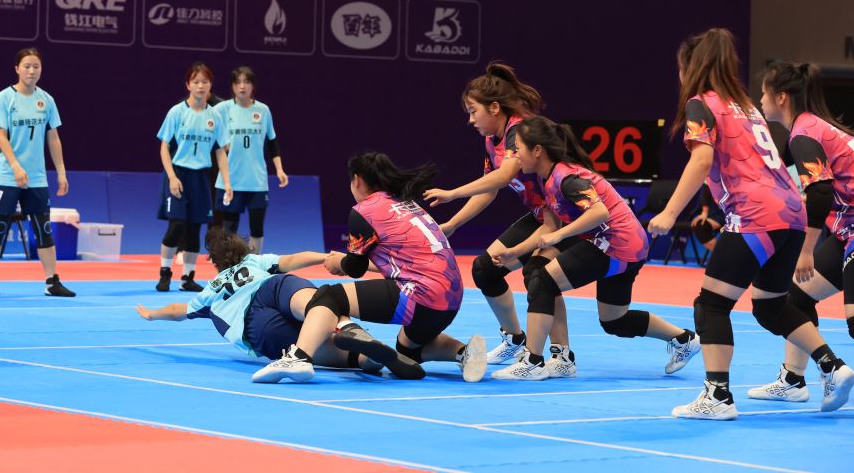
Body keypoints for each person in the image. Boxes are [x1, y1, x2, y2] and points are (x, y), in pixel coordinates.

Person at [648, 28, 853, 419]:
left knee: (711, 305)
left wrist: (671, 212)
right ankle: (832, 366)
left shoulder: (701, 104)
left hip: (755, 215)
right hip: (792, 214)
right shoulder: (745, 106)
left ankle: (717, 396)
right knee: (771, 306)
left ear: (690, 67)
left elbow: (702, 160)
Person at [491, 116, 700, 381]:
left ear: (537, 150)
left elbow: (599, 212)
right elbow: (548, 227)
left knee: (543, 280)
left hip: (618, 244)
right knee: (615, 321)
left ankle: (533, 361)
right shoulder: (549, 178)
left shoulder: (566, 178)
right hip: (622, 245)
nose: (513, 154)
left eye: (518, 147)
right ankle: (684, 339)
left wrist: (560, 235)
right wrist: (515, 251)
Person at [254, 152, 487, 383]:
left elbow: (355, 268)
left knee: (329, 296)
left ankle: (299, 357)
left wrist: (339, 263)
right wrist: (345, 260)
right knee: (408, 350)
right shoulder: (406, 204)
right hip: (451, 299)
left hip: (420, 295)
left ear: (357, 180)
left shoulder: (365, 211)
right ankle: (463, 353)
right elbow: (397, 262)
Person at [423, 62, 576, 374]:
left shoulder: (520, 131)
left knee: (541, 274)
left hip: (568, 217)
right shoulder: (492, 139)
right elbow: (489, 189)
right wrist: (453, 224)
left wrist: (453, 193)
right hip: (542, 216)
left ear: (494, 107)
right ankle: (515, 339)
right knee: (486, 269)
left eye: (473, 111)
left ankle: (562, 357)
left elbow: (505, 176)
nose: (470, 120)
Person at [137, 230, 405, 381]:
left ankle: (361, 359)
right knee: (321, 302)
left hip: (258, 331)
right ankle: (347, 327)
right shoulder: (254, 262)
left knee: (315, 350)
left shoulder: (211, 291)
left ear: (216, 263)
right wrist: (330, 257)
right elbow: (293, 260)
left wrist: (151, 315)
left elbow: (177, 311)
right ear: (244, 251)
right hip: (272, 291)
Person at [748, 61, 854, 402]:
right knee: (798, 296)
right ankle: (793, 380)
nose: (760, 100)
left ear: (781, 97)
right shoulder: (810, 127)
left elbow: (820, 192)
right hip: (846, 230)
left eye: (763, 93)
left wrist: (806, 250)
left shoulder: (805, 133)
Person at [0, 48, 74, 297]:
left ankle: (52, 282)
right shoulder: (4, 98)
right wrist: (15, 167)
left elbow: (53, 138)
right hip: (7, 174)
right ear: (17, 69)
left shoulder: (47, 100)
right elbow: (1, 135)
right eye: (27, 66)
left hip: (37, 177)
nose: (32, 71)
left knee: (43, 227)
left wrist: (61, 172)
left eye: (36, 66)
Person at [156, 62, 232, 292]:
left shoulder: (214, 116)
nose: (200, 86)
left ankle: (187, 278)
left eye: (204, 82)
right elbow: (164, 147)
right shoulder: (177, 112)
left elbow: (220, 151)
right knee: (177, 225)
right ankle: (165, 273)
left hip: (201, 177)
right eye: (196, 82)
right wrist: (172, 177)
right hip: (178, 173)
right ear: (188, 85)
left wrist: (227, 182)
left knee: (195, 228)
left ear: (210, 85)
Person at [213, 66, 288, 254]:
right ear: (232, 86)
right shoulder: (222, 109)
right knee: (229, 228)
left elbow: (272, 142)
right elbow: (206, 126)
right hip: (230, 181)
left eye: (246, 82)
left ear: (253, 86)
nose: (242, 86)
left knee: (257, 228)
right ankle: (229, 265)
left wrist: (279, 169)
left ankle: (254, 263)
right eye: (238, 82)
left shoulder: (263, 110)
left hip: (257, 181)